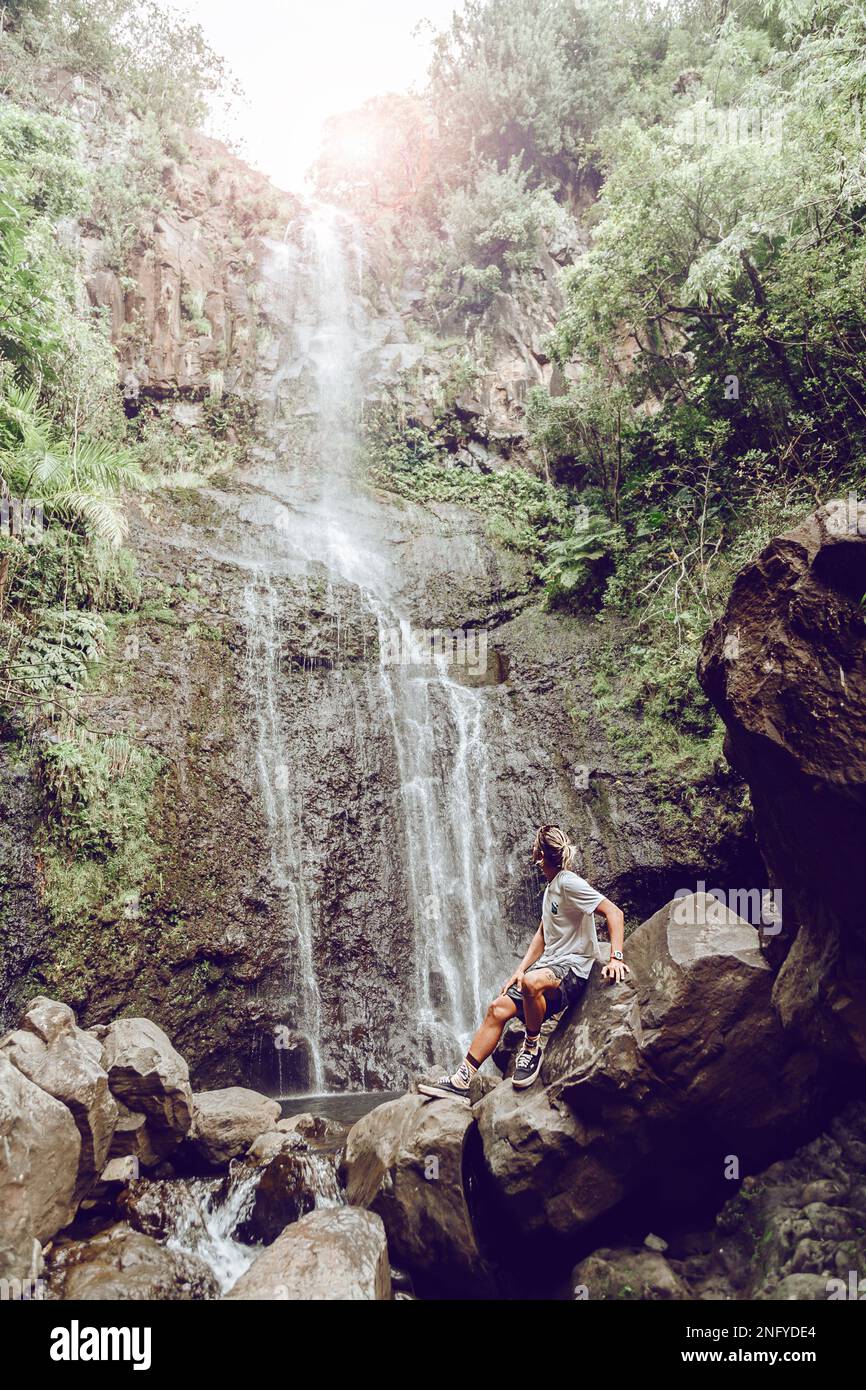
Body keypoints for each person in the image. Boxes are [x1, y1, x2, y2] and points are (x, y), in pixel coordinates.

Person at [418, 824, 629, 1103]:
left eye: (535, 849)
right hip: (552, 966)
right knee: (498, 1007)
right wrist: (519, 970)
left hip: (573, 969)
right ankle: (462, 1080)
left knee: (532, 983)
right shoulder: (553, 888)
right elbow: (542, 933)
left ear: (540, 855)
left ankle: (531, 1048)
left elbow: (614, 912)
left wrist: (615, 957)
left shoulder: (569, 882)